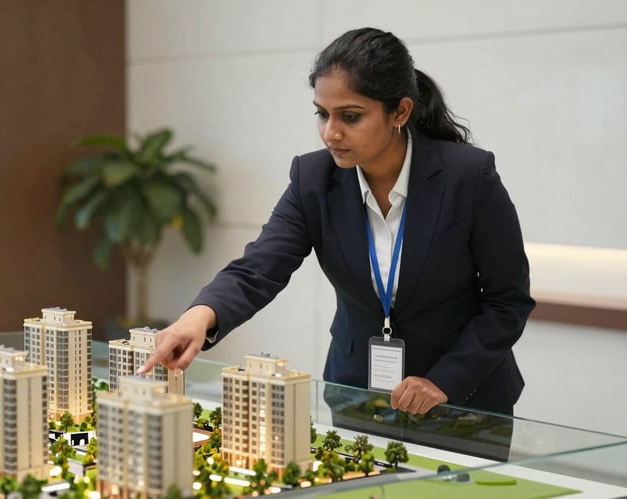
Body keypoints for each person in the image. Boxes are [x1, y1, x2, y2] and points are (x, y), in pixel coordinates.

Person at [138, 27, 535, 416]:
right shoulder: (313, 179)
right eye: (322, 114)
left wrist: (444, 381)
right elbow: (258, 268)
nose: (331, 133)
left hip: (465, 403)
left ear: (400, 111)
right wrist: (199, 316)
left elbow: (507, 301)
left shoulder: (467, 177)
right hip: (358, 397)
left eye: (350, 116)